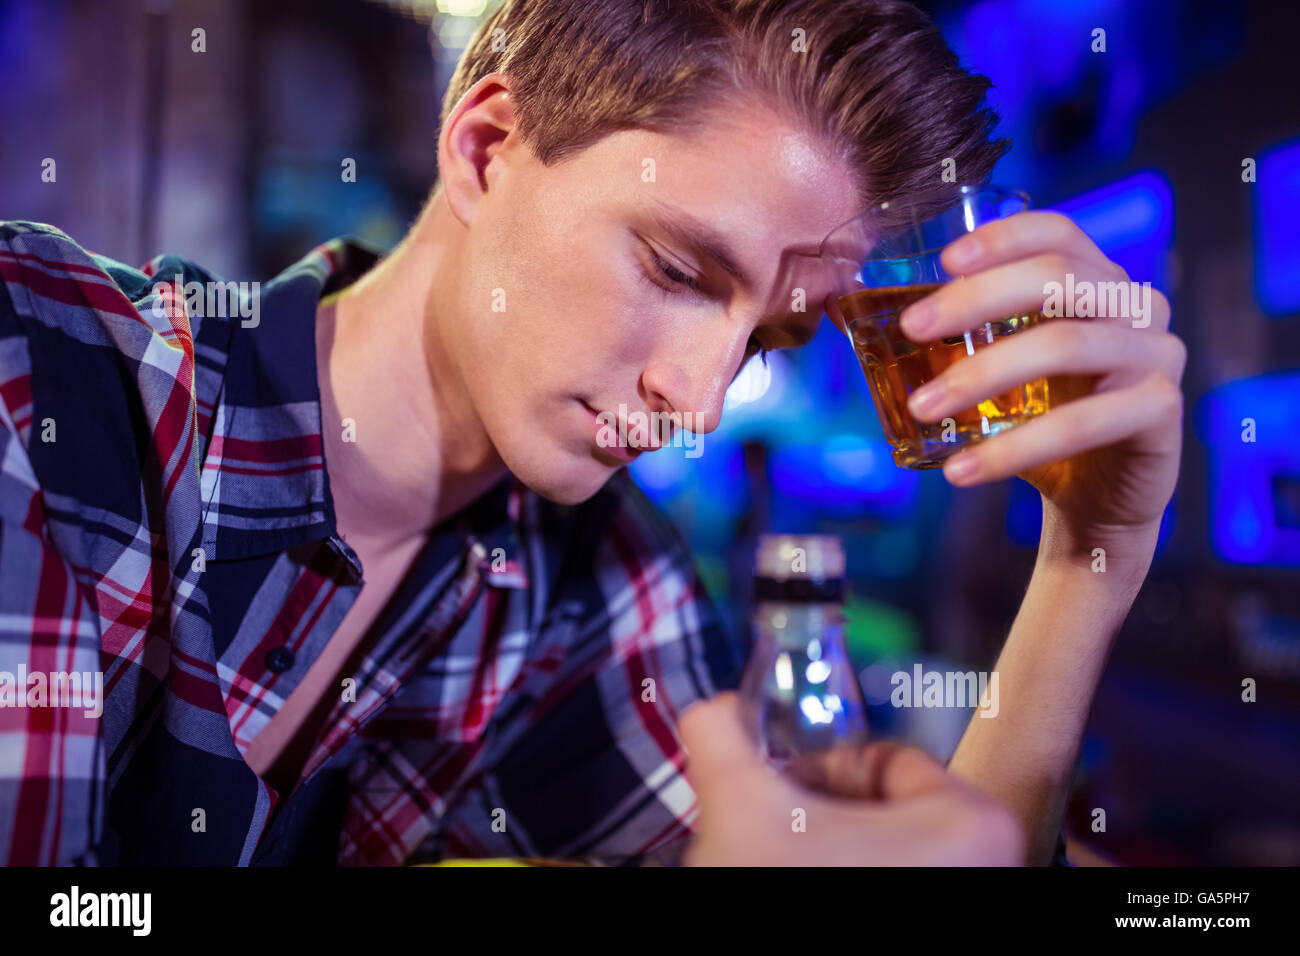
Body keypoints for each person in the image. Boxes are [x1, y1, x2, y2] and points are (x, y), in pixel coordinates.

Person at [0, 0, 1182, 866]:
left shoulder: (600, 586)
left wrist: (1087, 561)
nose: (699, 399)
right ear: (484, 147)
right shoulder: (44, 367)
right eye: (675, 266)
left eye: (768, 340)